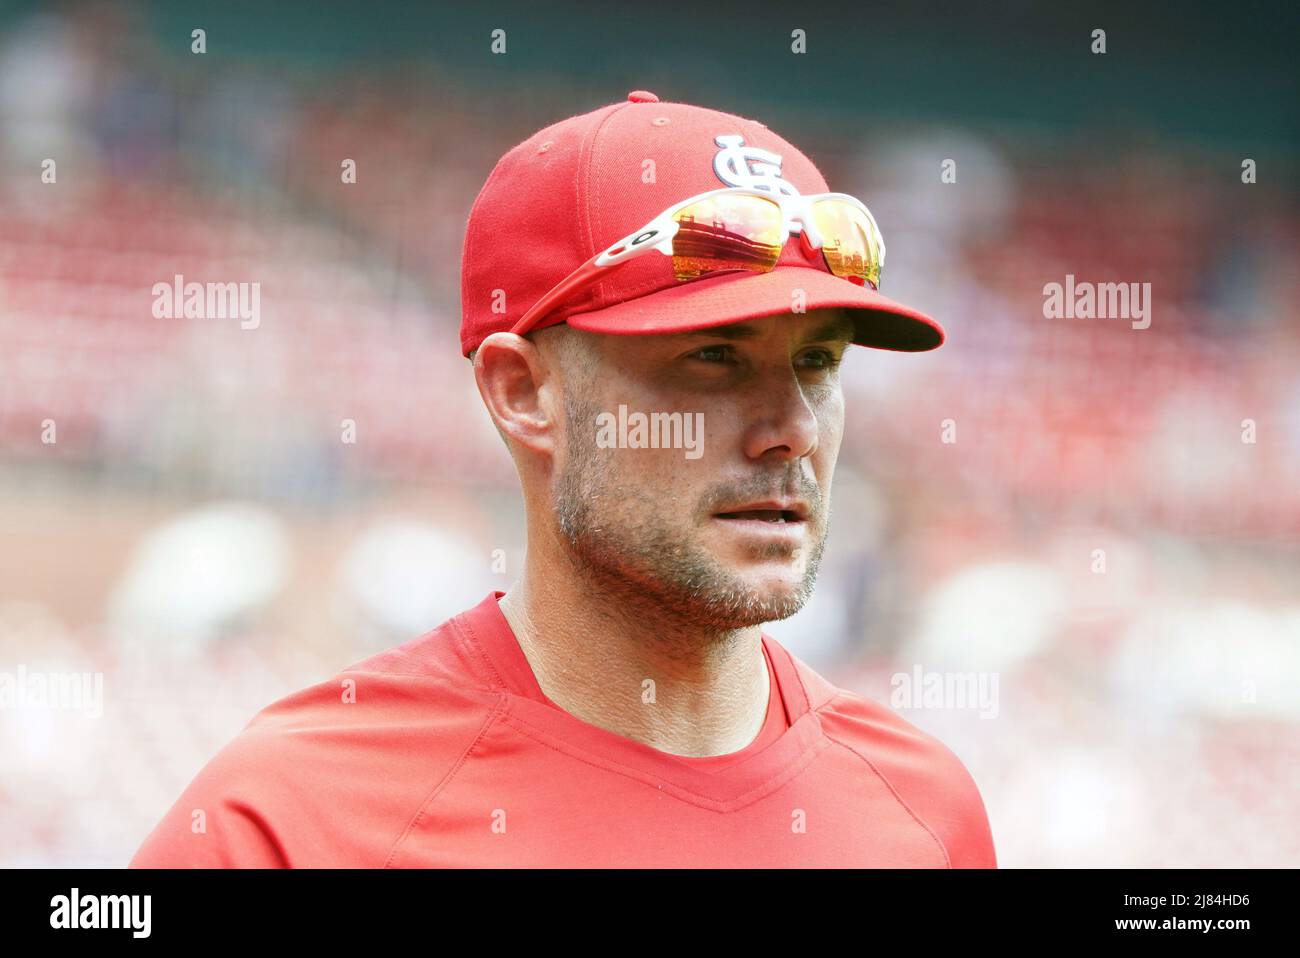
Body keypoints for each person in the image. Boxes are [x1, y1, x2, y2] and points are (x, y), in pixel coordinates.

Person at [129, 90, 995, 867]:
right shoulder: (291, 820)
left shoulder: (923, 813)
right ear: (523, 393)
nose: (793, 431)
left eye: (818, 361)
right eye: (714, 358)